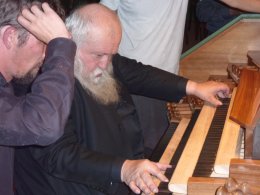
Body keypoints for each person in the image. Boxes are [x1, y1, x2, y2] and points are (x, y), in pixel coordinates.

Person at [14, 4, 230, 195]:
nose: (105, 64)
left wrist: (194, 87)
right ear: (69, 42)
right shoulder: (43, 83)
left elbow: (138, 73)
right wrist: (123, 169)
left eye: (111, 55)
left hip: (117, 172)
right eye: (98, 55)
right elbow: (58, 156)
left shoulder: (101, 59)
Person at [100, 0, 260, 157]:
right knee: (147, 149)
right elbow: (103, 18)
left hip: (168, 76)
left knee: (161, 147)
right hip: (134, 80)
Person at [0, 0, 76, 194]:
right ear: (10, 37)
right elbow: (43, 124)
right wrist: (61, 46)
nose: (46, 56)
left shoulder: (10, 83)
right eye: (44, 43)